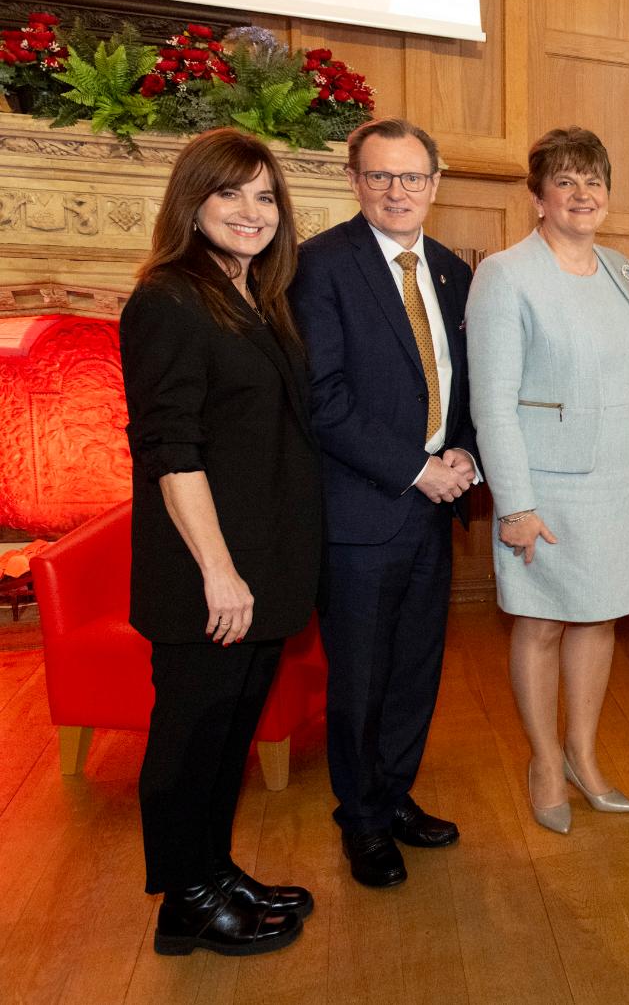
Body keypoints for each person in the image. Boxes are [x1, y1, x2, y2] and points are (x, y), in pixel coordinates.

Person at [120, 128, 320, 956]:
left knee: (227, 734)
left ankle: (211, 871)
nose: (251, 211)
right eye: (230, 193)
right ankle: (183, 903)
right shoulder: (167, 298)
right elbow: (170, 449)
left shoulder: (249, 298)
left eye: (265, 195)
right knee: (190, 738)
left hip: (260, 565)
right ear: (191, 201)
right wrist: (219, 572)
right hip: (211, 575)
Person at [290, 117, 478, 887]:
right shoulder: (317, 267)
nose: (397, 191)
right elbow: (321, 399)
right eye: (380, 176)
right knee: (360, 679)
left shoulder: (451, 271)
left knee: (414, 672)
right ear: (354, 180)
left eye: (412, 177)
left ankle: (394, 795)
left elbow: (466, 380)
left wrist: (464, 451)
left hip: (434, 512)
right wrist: (415, 468)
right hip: (361, 516)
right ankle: (360, 821)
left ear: (435, 184)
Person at [465, 127, 629, 835]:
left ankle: (584, 753)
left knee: (600, 616)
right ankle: (544, 760)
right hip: (545, 486)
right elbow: (490, 400)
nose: (582, 195)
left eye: (593, 182)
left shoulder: (616, 268)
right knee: (543, 622)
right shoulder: (505, 274)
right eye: (566, 182)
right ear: (537, 197)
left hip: (617, 480)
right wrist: (514, 505)